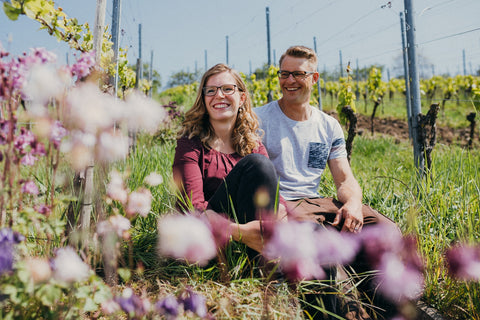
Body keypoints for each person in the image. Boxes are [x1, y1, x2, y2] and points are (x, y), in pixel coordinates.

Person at [255, 46, 400, 319]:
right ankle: (351, 311)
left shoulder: (328, 125)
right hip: (283, 203)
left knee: (385, 229)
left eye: (298, 74)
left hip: (317, 202)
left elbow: (344, 179)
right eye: (284, 74)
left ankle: (387, 302)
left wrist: (354, 204)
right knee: (323, 244)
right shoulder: (261, 119)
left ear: (315, 78)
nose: (289, 81)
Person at [172, 63, 285, 256]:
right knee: (257, 164)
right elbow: (193, 207)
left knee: (313, 232)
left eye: (227, 89)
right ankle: (267, 266)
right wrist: (241, 233)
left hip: (252, 232)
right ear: (204, 99)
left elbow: (276, 202)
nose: (219, 95)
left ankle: (271, 263)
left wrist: (281, 224)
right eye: (211, 91)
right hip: (207, 239)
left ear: (241, 98)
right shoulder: (190, 144)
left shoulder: (253, 145)